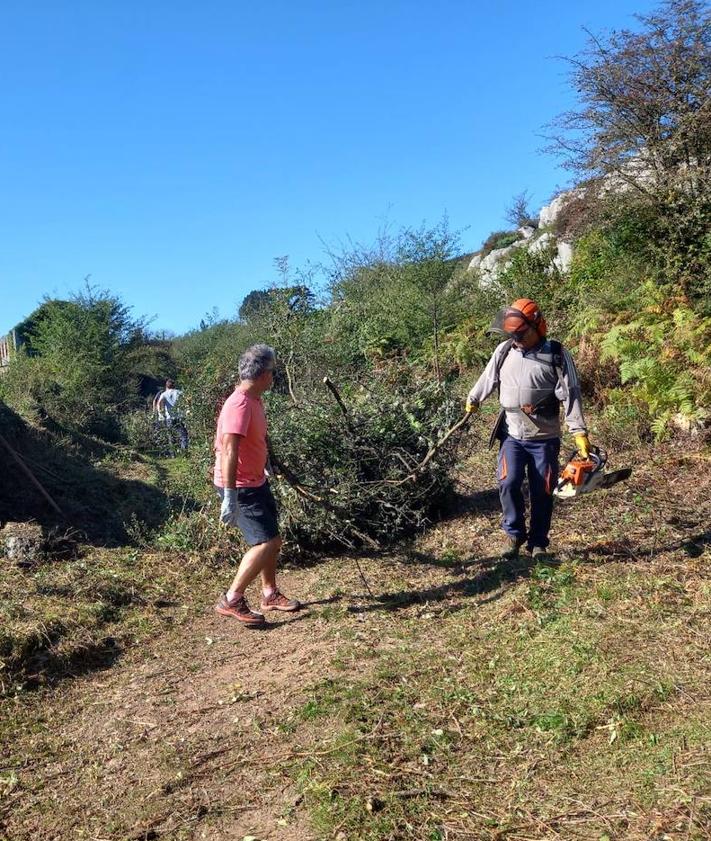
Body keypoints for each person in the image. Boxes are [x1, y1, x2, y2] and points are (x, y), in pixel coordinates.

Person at [466, 299, 590, 559]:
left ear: (537, 326)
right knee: (508, 483)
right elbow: (488, 378)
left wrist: (578, 432)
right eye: (513, 334)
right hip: (512, 434)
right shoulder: (504, 351)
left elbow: (572, 393)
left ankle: (538, 543)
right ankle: (514, 535)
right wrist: (474, 398)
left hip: (543, 438)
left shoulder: (555, 353)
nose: (517, 339)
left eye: (521, 333)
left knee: (542, 489)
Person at [213, 344, 300, 627]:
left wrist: (266, 462)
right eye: (272, 372)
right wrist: (230, 495)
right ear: (262, 374)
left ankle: (269, 593)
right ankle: (232, 598)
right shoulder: (239, 404)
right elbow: (229, 451)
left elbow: (255, 439)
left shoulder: (255, 400)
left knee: (271, 537)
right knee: (267, 542)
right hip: (240, 486)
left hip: (255, 480)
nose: (274, 378)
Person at [155, 379, 188, 451]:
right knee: (183, 435)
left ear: (166, 386)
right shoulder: (180, 392)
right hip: (179, 417)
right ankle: (184, 451)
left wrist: (160, 414)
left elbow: (158, 404)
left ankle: (172, 453)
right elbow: (187, 401)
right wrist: (187, 411)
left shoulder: (164, 394)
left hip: (169, 418)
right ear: (174, 385)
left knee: (170, 436)